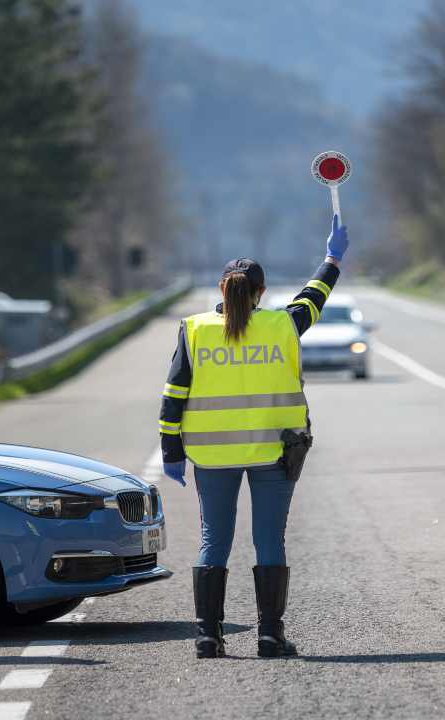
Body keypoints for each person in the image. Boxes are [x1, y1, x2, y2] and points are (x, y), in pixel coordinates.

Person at [159, 214, 349, 658]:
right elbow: (314, 298)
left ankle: (208, 637)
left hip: (210, 456)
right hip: (272, 453)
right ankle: (269, 636)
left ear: (221, 291)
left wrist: (171, 450)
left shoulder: (194, 329)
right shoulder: (283, 325)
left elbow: (173, 395)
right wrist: (332, 259)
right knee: (269, 540)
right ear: (260, 292)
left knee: (213, 541)